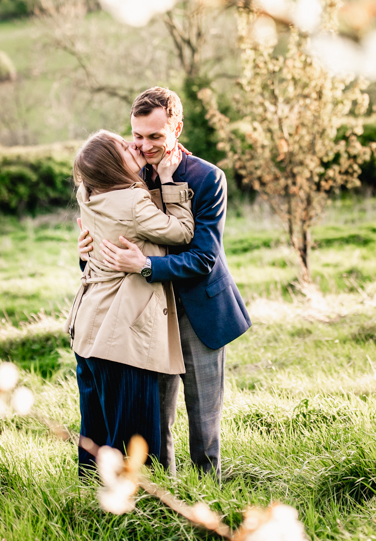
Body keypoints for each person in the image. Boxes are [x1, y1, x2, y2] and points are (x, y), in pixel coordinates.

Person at [78, 87, 251, 482]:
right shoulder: (122, 172)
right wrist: (85, 250)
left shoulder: (207, 178)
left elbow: (204, 258)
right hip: (147, 317)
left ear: (176, 128)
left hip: (198, 311)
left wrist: (146, 266)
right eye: (137, 136)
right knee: (158, 419)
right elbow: (107, 231)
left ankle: (211, 498)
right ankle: (169, 501)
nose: (144, 145)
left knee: (204, 423)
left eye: (155, 136)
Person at [66, 129, 195, 474]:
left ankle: (89, 503)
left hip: (87, 328)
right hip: (121, 333)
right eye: (124, 146)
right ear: (112, 165)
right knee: (134, 435)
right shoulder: (134, 203)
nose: (133, 145)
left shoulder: (87, 192)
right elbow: (183, 231)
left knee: (95, 432)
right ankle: (141, 514)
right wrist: (167, 181)